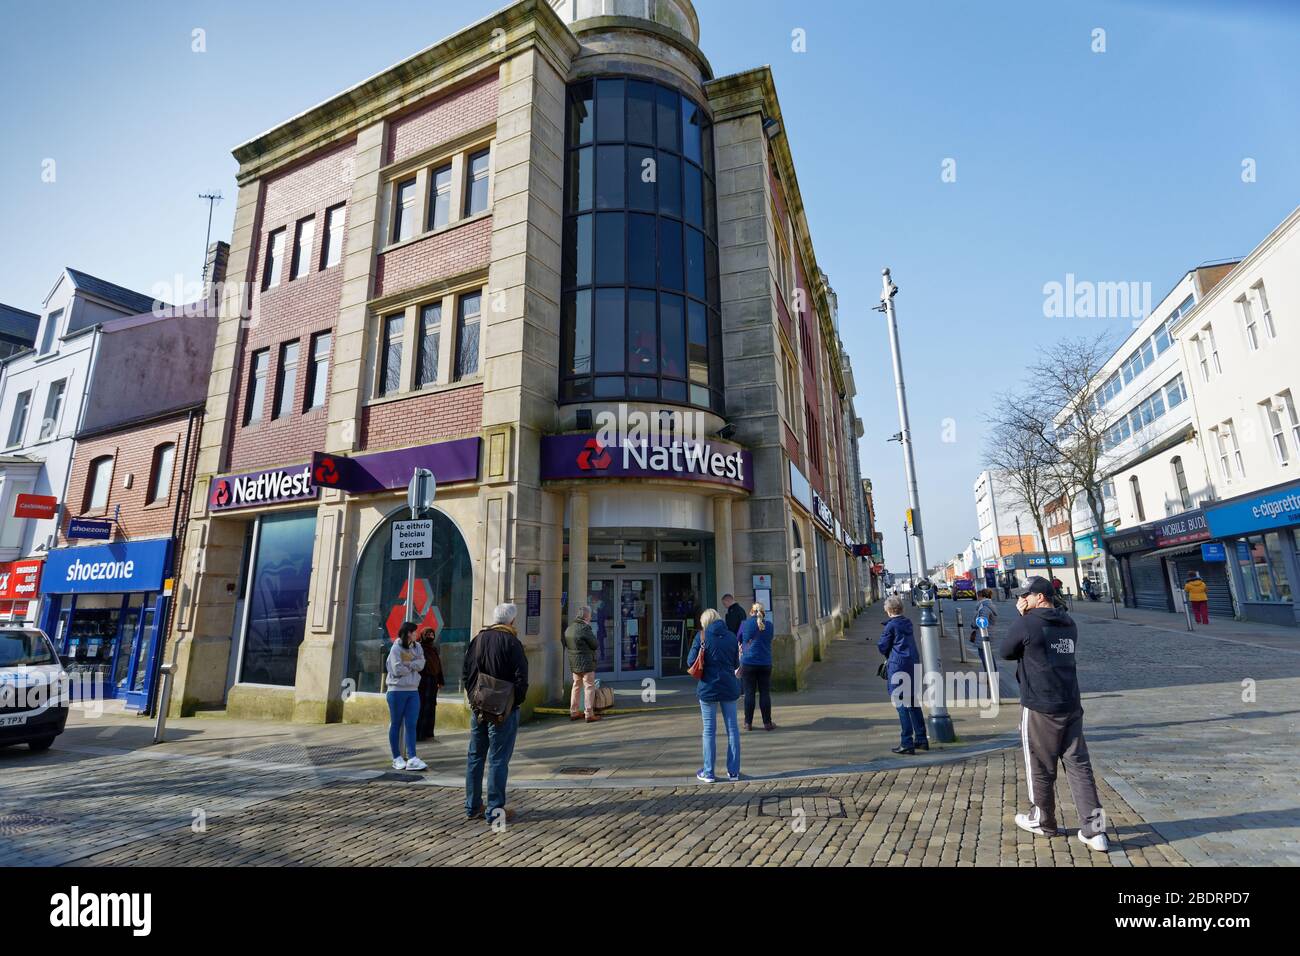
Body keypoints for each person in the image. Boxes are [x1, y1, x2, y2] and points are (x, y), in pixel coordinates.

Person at [1000, 577, 1108, 853]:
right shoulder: (1068, 623)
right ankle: (1095, 831)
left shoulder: (1028, 622)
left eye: (1026, 595)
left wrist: (1022, 616)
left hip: (1040, 705)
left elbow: (1006, 651)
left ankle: (1043, 820)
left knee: (1039, 765)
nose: (1022, 599)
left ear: (1039, 597)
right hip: (1070, 702)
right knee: (1079, 766)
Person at [463, 603, 529, 823]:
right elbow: (522, 680)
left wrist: (474, 699)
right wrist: (513, 703)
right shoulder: (513, 643)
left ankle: (472, 806)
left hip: (479, 706)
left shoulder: (478, 639)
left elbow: (467, 673)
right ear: (511, 621)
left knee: (475, 756)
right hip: (503, 710)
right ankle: (494, 810)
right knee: (498, 759)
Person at [686, 608, 741, 783]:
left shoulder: (701, 637)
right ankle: (733, 772)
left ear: (705, 622)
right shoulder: (732, 637)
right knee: (733, 730)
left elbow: (690, 661)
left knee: (709, 730)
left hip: (708, 687)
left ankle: (709, 772)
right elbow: (735, 663)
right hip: (729, 686)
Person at [878, 596, 929, 755]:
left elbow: (882, 646)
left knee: (900, 704)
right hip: (913, 663)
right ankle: (921, 738)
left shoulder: (891, 626)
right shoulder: (908, 623)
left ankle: (906, 742)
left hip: (898, 665)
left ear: (888, 610)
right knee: (913, 702)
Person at [386, 621, 427, 771]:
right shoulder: (396, 648)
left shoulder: (417, 646)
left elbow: (422, 664)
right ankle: (396, 757)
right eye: (415, 632)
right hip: (396, 690)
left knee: (411, 724)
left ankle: (412, 757)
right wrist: (413, 664)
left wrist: (408, 664)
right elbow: (397, 669)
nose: (417, 634)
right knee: (396, 723)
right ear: (409, 633)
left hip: (413, 690)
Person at [737, 603, 775, 731]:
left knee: (749, 694)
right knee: (765, 693)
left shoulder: (744, 624)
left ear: (751, 612)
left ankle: (748, 723)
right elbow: (769, 639)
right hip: (765, 663)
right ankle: (767, 723)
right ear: (763, 613)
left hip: (748, 663)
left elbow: (739, 639)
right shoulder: (769, 626)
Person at [563, 604, 601, 723]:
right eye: (589, 615)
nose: (590, 617)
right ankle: (589, 714)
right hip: (586, 663)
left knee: (576, 686)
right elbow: (594, 644)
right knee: (589, 686)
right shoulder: (585, 629)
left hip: (574, 663)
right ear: (586, 616)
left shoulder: (569, 628)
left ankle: (574, 712)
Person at [416, 625, 444, 741]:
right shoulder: (419, 648)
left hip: (432, 682)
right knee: (421, 707)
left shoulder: (433, 649)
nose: (430, 636)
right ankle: (419, 734)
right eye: (428, 635)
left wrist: (440, 680)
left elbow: (438, 665)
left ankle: (428, 733)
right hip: (422, 681)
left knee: (431, 707)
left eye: (432, 634)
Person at [970, 588, 999, 675]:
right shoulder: (988, 605)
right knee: (987, 655)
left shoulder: (984, 607)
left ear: (981, 596)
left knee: (985, 656)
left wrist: (973, 624)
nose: (977, 599)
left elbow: (982, 621)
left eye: (978, 597)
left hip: (984, 635)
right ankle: (991, 674)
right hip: (988, 633)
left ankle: (991, 675)